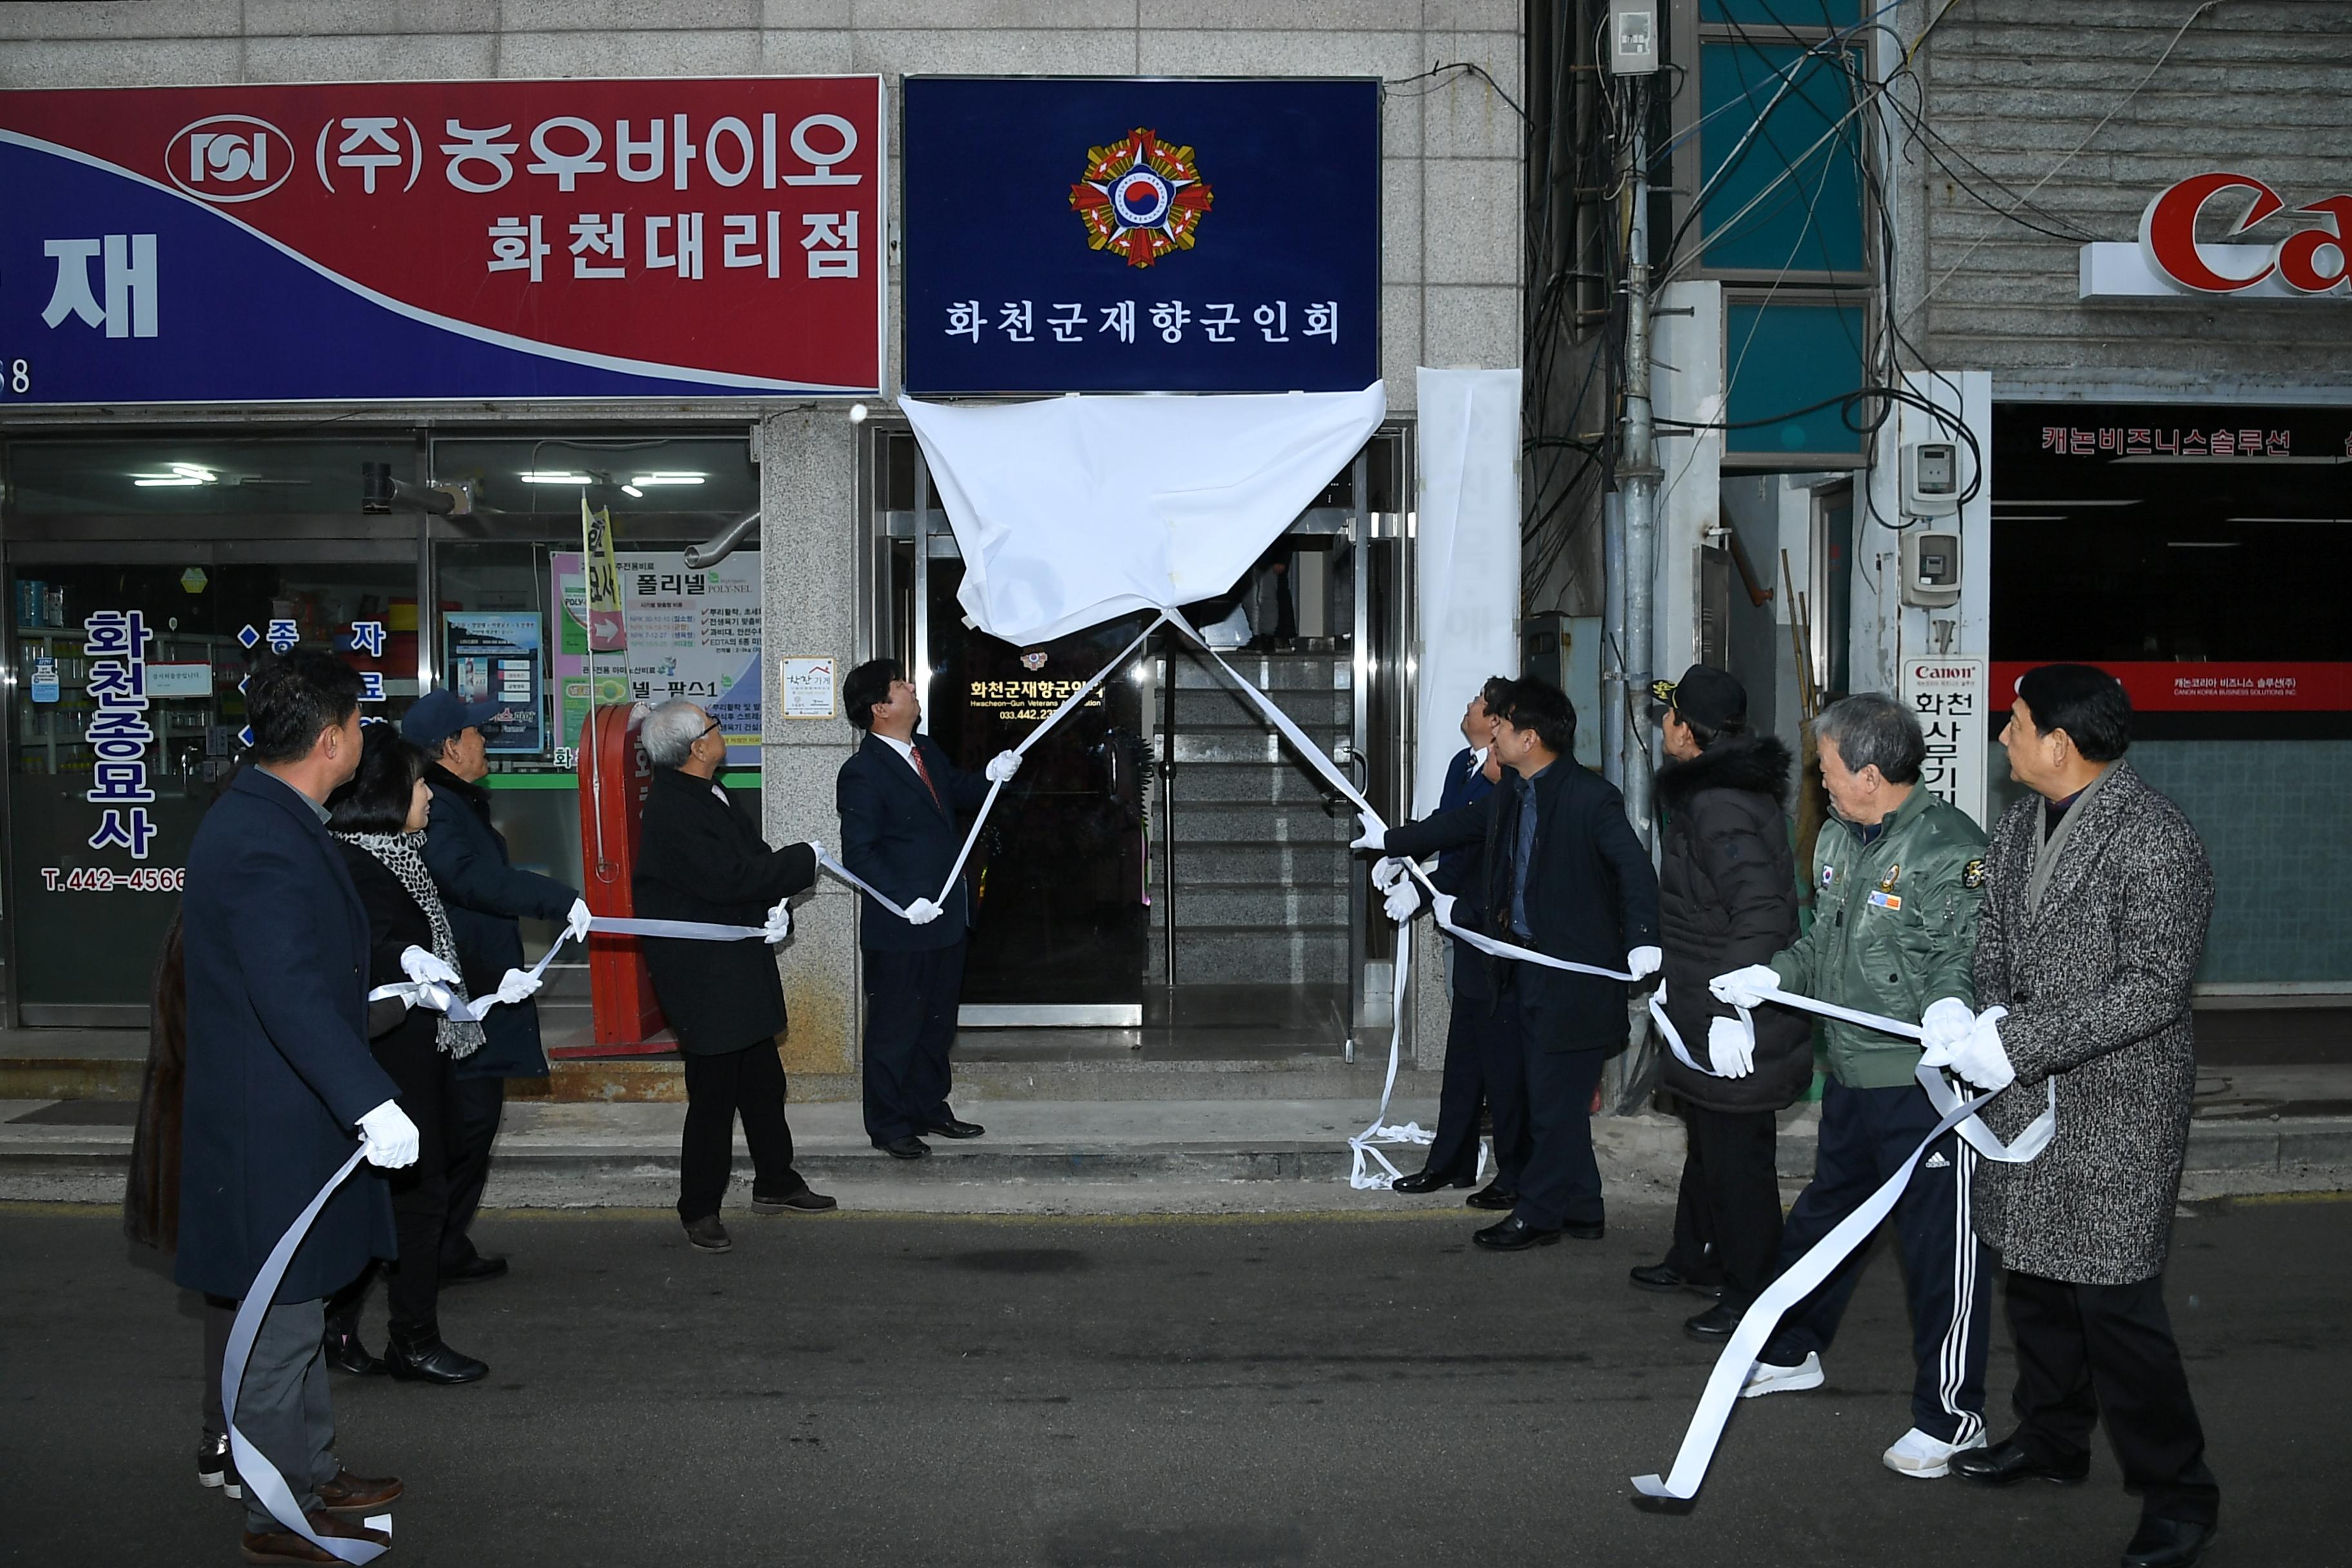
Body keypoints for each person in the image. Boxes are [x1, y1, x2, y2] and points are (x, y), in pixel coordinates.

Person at [1936, 665, 2219, 1568]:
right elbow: (1992, 945)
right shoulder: (2022, 824)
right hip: (2025, 1100)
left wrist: (2021, 1044)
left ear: (2060, 743)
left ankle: (2179, 1495)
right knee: (2041, 1285)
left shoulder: (2155, 839)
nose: (2005, 737)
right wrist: (1977, 1019)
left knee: (2116, 1304)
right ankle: (2052, 1440)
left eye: (2015, 724)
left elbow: (2153, 990)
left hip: (2115, 1107)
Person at [1710, 691, 1992, 1480]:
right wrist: (1770, 976)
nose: (1819, 779)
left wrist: (1949, 1003)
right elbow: (1821, 944)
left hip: (1925, 1090)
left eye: (1827, 766)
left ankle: (1952, 1415)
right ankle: (1797, 1346)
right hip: (1853, 1077)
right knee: (1825, 1221)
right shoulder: (1839, 835)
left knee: (1943, 1255)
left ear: (1869, 773)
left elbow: (1962, 957)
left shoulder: (1948, 849)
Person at [176, 650, 411, 1564]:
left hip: (295, 1113)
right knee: (277, 1331)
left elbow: (314, 971)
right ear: (329, 740)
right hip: (271, 1128)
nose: (362, 739)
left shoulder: (280, 815)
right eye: (356, 725)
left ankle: (311, 1473)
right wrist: (371, 1099)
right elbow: (287, 993)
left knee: (304, 1310)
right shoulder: (263, 836)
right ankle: (279, 1514)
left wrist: (399, 991)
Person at [1363, 677, 1661, 1251]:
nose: (1492, 729)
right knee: (1557, 1098)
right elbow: (1458, 827)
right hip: (1522, 969)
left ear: (1531, 738)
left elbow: (1634, 869)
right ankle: (1583, 1207)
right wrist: (1391, 842)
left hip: (1572, 977)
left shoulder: (1589, 798)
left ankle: (1539, 1212)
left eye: (1503, 725)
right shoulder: (1512, 793)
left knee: (1551, 1102)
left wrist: (1644, 937)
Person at [326, 723, 543, 1384]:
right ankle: (412, 1339)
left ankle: (335, 1322)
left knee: (401, 1198)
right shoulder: (359, 863)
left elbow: (425, 954)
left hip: (423, 1046)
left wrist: (477, 999)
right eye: (419, 783)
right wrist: (412, 966)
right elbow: (378, 949)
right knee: (416, 1199)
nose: (428, 794)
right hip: (391, 1060)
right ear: (389, 792)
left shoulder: (401, 852)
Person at [1636, 665, 1810, 1340]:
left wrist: (1728, 1012)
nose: (1665, 727)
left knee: (1737, 1159)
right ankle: (1696, 1254)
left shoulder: (1719, 804)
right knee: (1709, 1145)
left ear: (1690, 729)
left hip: (1731, 1015)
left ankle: (1750, 1292)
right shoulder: (1717, 791)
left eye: (1670, 717)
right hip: (1703, 996)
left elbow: (1759, 911)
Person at [406, 688, 592, 1289]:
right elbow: (467, 878)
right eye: (477, 734)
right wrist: (555, 898)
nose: (486, 742)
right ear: (449, 748)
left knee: (476, 1121)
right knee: (466, 1122)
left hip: (482, 978)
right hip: (464, 990)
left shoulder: (457, 799)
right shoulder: (434, 805)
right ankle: (425, 1250)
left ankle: (445, 1244)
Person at [634, 699, 832, 1253]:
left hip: (737, 964)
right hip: (705, 976)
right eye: (714, 725)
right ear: (699, 747)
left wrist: (778, 907)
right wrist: (802, 861)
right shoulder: (673, 808)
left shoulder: (710, 791)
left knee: (763, 1082)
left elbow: (752, 864)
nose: (722, 729)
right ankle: (699, 1207)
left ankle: (776, 1180)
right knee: (714, 1095)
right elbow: (730, 876)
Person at [836, 659, 1019, 1160]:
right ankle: (890, 1124)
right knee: (896, 1027)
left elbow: (961, 791)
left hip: (945, 920)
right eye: (900, 686)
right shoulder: (862, 772)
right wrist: (903, 901)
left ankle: (929, 1107)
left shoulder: (926, 750)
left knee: (937, 1024)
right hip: (903, 925)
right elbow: (861, 853)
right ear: (879, 708)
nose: (912, 688)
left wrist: (991, 774)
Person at [1387, 678, 1516, 1206]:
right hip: (1465, 926)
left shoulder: (1510, 780)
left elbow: (1469, 847)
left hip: (1495, 934)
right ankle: (1453, 1161)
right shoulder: (1462, 766)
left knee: (1500, 1064)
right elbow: (1445, 827)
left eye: (1480, 705)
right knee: (1466, 1056)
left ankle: (1513, 1173)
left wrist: (1422, 890)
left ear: (1501, 726)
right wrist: (1406, 861)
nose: (1469, 706)